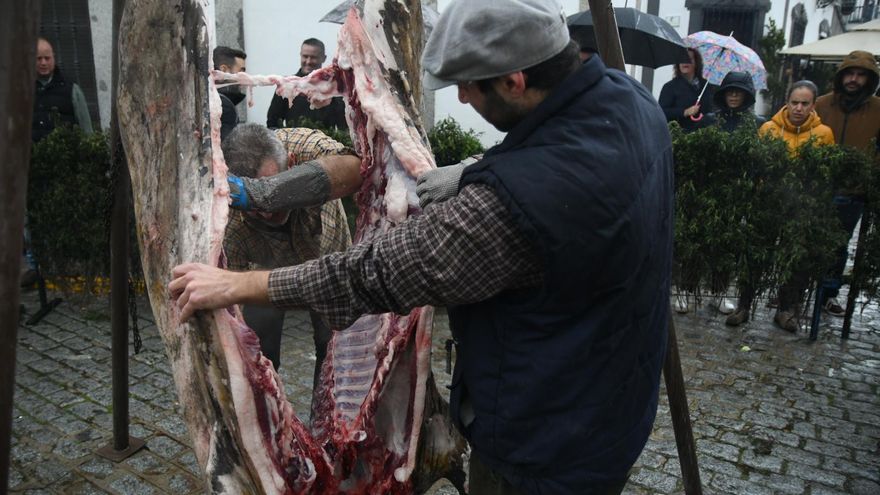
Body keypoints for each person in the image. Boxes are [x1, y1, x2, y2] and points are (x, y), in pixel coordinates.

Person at [171, 0, 674, 493]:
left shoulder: (513, 208)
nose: (460, 101)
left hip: (547, 443)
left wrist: (238, 284)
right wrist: (483, 169)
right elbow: (562, 163)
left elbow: (371, 275)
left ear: (514, 81)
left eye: (467, 88)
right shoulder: (628, 100)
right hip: (613, 398)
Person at [222, 123, 360, 407]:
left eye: (273, 184)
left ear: (292, 163)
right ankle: (273, 423)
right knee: (261, 349)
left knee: (331, 349)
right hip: (269, 276)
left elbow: (356, 165)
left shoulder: (301, 146)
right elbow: (230, 307)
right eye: (255, 205)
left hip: (330, 265)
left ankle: (327, 426)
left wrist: (265, 193)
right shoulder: (228, 219)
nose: (267, 211)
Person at [759, 80, 835, 332]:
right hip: (771, 203)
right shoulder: (769, 128)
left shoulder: (823, 134)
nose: (799, 108)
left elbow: (827, 171)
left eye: (805, 103)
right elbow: (759, 165)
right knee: (759, 252)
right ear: (787, 102)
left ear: (813, 105)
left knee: (796, 258)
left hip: (802, 208)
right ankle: (744, 305)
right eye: (795, 102)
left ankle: (786, 308)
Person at [814, 50, 880, 317]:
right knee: (808, 241)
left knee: (838, 244)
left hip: (853, 191)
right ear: (841, 76)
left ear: (869, 79)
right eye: (850, 74)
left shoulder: (877, 110)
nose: (853, 79)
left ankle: (828, 294)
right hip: (818, 187)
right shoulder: (821, 104)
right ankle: (796, 294)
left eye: (860, 75)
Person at [712, 71, 766, 327]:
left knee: (728, 246)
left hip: (739, 193)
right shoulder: (713, 121)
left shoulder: (756, 124)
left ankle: (719, 291)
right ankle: (688, 290)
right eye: (730, 91)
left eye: (738, 92)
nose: (733, 96)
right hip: (713, 191)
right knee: (706, 242)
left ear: (746, 95)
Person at [265, 38, 347, 130]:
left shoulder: (334, 90)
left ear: (324, 58)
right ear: (300, 55)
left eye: (313, 57)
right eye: (305, 56)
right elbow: (272, 123)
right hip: (293, 143)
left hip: (325, 143)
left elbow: (344, 128)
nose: (308, 61)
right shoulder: (287, 85)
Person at [32, 37, 93, 142]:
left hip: (64, 156)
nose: (43, 63)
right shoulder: (20, 93)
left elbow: (86, 130)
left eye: (47, 58)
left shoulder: (72, 91)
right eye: (39, 58)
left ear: (53, 58)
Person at [658, 47, 715, 132]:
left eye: (689, 58)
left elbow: (712, 109)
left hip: (703, 136)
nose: (685, 61)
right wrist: (684, 112)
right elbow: (661, 112)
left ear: (696, 63)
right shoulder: (669, 87)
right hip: (679, 137)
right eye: (682, 58)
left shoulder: (706, 86)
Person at [212, 46, 247, 140]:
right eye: (241, 71)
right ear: (224, 70)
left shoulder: (210, 98)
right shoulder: (223, 105)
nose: (245, 77)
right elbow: (228, 148)